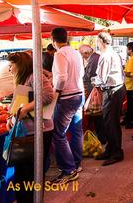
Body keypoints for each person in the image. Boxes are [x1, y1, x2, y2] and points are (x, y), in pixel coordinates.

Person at [7, 52, 55, 203]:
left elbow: (48, 95)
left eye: (11, 66)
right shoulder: (26, 78)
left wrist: (26, 109)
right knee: (22, 175)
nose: (10, 69)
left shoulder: (35, 76)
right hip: (28, 131)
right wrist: (12, 117)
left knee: (29, 175)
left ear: (20, 65)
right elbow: (19, 102)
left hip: (40, 131)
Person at [50, 28, 84, 184]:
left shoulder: (60, 53)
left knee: (58, 134)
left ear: (53, 40)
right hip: (78, 95)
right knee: (76, 130)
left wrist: (56, 92)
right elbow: (80, 74)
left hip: (67, 98)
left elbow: (62, 77)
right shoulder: (75, 52)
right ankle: (76, 164)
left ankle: (69, 170)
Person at [92, 32, 126, 166]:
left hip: (112, 90)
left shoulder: (106, 56)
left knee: (111, 122)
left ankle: (116, 152)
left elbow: (102, 78)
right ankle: (111, 149)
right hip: (115, 89)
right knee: (110, 122)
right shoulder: (112, 54)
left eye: (97, 41)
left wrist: (94, 82)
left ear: (101, 42)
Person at [78, 44, 104, 143]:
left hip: (94, 90)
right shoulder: (94, 58)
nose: (81, 56)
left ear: (86, 53)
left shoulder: (94, 59)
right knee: (96, 116)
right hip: (93, 90)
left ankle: (101, 138)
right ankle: (99, 136)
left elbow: (89, 76)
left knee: (96, 115)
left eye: (82, 54)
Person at [123, 42, 133, 129]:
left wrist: (124, 72)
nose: (126, 51)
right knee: (131, 105)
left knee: (132, 106)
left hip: (131, 86)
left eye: (127, 49)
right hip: (129, 85)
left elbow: (130, 73)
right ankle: (129, 119)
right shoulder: (131, 59)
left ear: (130, 50)